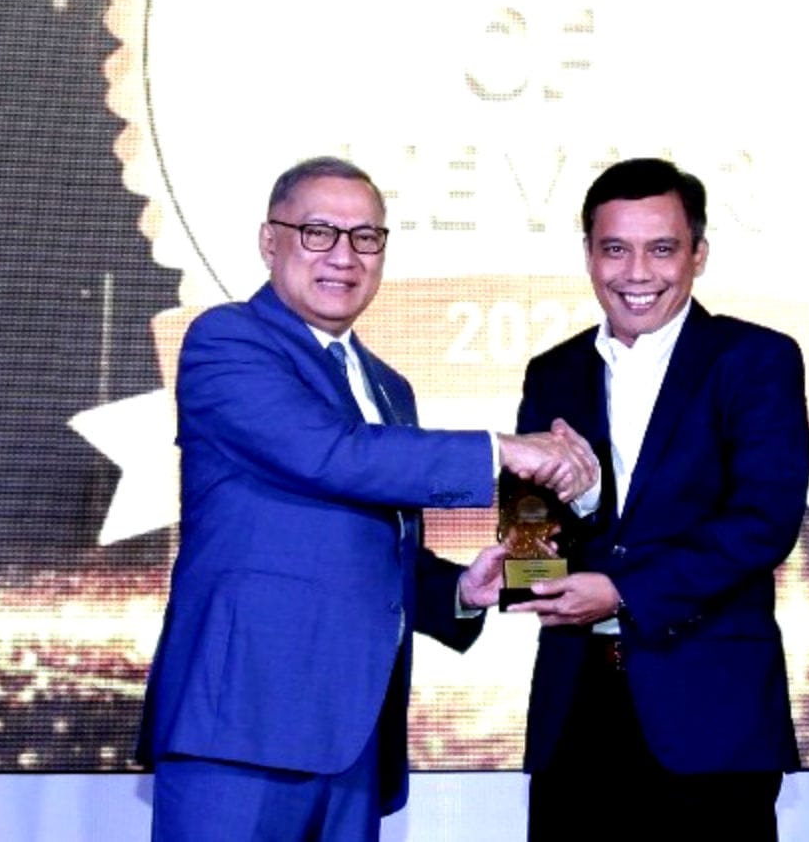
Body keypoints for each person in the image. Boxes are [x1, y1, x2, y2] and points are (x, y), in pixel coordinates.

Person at [137, 156, 597, 842]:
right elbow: (329, 455)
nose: (344, 256)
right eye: (318, 232)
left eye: (366, 237)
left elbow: (373, 542)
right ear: (269, 241)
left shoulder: (389, 386)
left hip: (352, 738)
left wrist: (460, 592)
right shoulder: (228, 339)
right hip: (241, 725)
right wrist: (501, 451)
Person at [508, 157, 809, 841]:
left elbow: (764, 521)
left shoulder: (754, 359)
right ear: (589, 255)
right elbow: (529, 554)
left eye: (662, 249)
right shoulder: (552, 373)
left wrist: (622, 590)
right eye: (615, 249)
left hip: (711, 711)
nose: (637, 273)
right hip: (575, 710)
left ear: (698, 254)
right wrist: (575, 512)